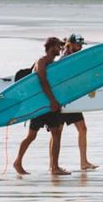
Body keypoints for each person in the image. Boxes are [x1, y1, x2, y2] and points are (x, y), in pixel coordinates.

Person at [13, 37, 70, 175]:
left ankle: (54, 167)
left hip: (48, 105)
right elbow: (43, 82)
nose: (60, 48)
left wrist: (59, 101)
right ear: (51, 47)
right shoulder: (41, 62)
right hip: (40, 106)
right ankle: (18, 162)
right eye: (58, 46)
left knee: (56, 133)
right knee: (32, 136)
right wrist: (53, 101)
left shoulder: (53, 64)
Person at [61, 33, 98, 170]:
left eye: (81, 45)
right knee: (57, 131)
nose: (80, 48)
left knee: (82, 129)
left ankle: (84, 162)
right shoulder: (65, 59)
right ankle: (54, 165)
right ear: (70, 45)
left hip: (71, 100)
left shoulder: (73, 57)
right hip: (63, 100)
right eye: (78, 45)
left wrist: (89, 87)